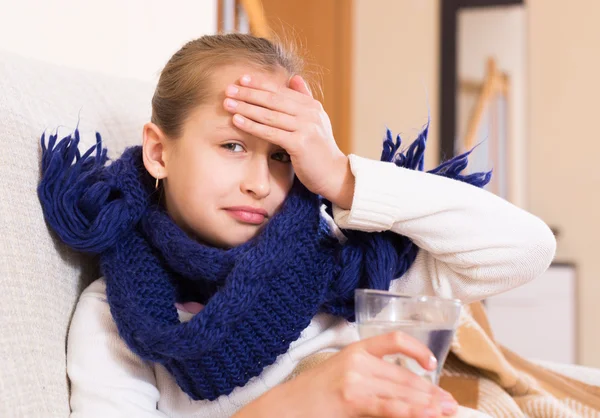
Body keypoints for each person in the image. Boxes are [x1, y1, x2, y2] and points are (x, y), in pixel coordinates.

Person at [37, 33, 556, 418]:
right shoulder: (119, 315)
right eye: (233, 146)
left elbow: (525, 249)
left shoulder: (343, 263)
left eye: (282, 155)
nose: (260, 184)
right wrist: (298, 403)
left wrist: (340, 177)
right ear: (158, 151)